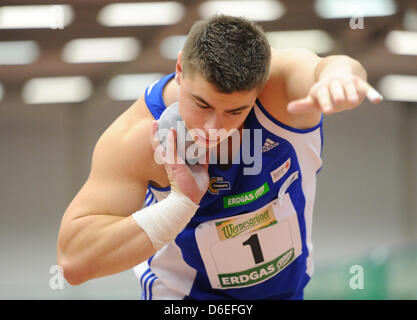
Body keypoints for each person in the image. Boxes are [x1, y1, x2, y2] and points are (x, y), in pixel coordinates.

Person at [57, 14, 382, 300]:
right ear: (181, 69)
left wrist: (340, 77)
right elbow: (74, 261)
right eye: (203, 105)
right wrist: (179, 206)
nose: (213, 127)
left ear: (259, 87)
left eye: (235, 111)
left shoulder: (279, 89)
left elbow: (326, 66)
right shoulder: (139, 138)